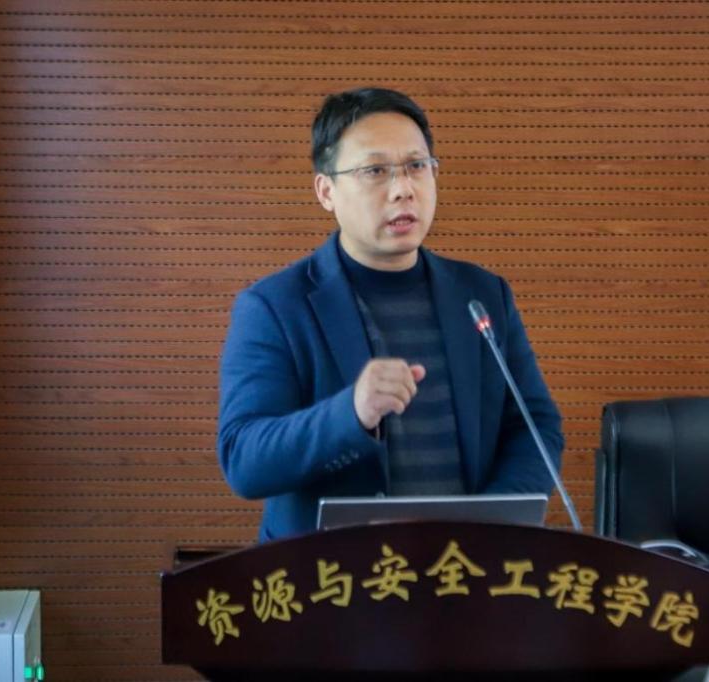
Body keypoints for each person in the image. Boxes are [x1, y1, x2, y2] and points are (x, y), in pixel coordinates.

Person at [217, 87, 563, 541]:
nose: (403, 189)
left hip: (467, 566)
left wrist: (489, 526)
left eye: (417, 166)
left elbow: (535, 429)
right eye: (375, 171)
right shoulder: (275, 306)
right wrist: (350, 414)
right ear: (326, 191)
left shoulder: (482, 294)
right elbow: (244, 460)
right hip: (332, 574)